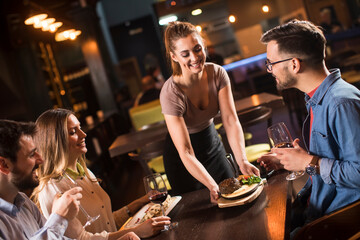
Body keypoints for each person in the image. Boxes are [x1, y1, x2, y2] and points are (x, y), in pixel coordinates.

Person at [257, 20, 360, 237]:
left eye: (271, 63)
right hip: (316, 206)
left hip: (335, 220)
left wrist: (308, 161)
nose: (269, 70)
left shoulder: (341, 103)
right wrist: (294, 160)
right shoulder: (317, 98)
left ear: (294, 64)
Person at [32, 108, 170, 240]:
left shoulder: (85, 172)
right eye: (73, 132)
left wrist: (138, 203)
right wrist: (137, 231)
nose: (83, 134)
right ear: (55, 142)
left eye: (80, 128)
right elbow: (82, 239)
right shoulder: (52, 189)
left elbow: (106, 223)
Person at [160, 21, 259, 203]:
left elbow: (230, 120)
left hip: (212, 143)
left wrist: (242, 160)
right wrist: (211, 184)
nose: (195, 57)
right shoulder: (171, 92)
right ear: (174, 57)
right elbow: (186, 151)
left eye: (198, 49)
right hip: (183, 159)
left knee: (235, 198)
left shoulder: (218, 73)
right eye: (185, 54)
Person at [0, 119, 82, 239]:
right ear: (4, 165)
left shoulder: (23, 202)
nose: (41, 160)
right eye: (32, 155)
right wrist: (59, 218)